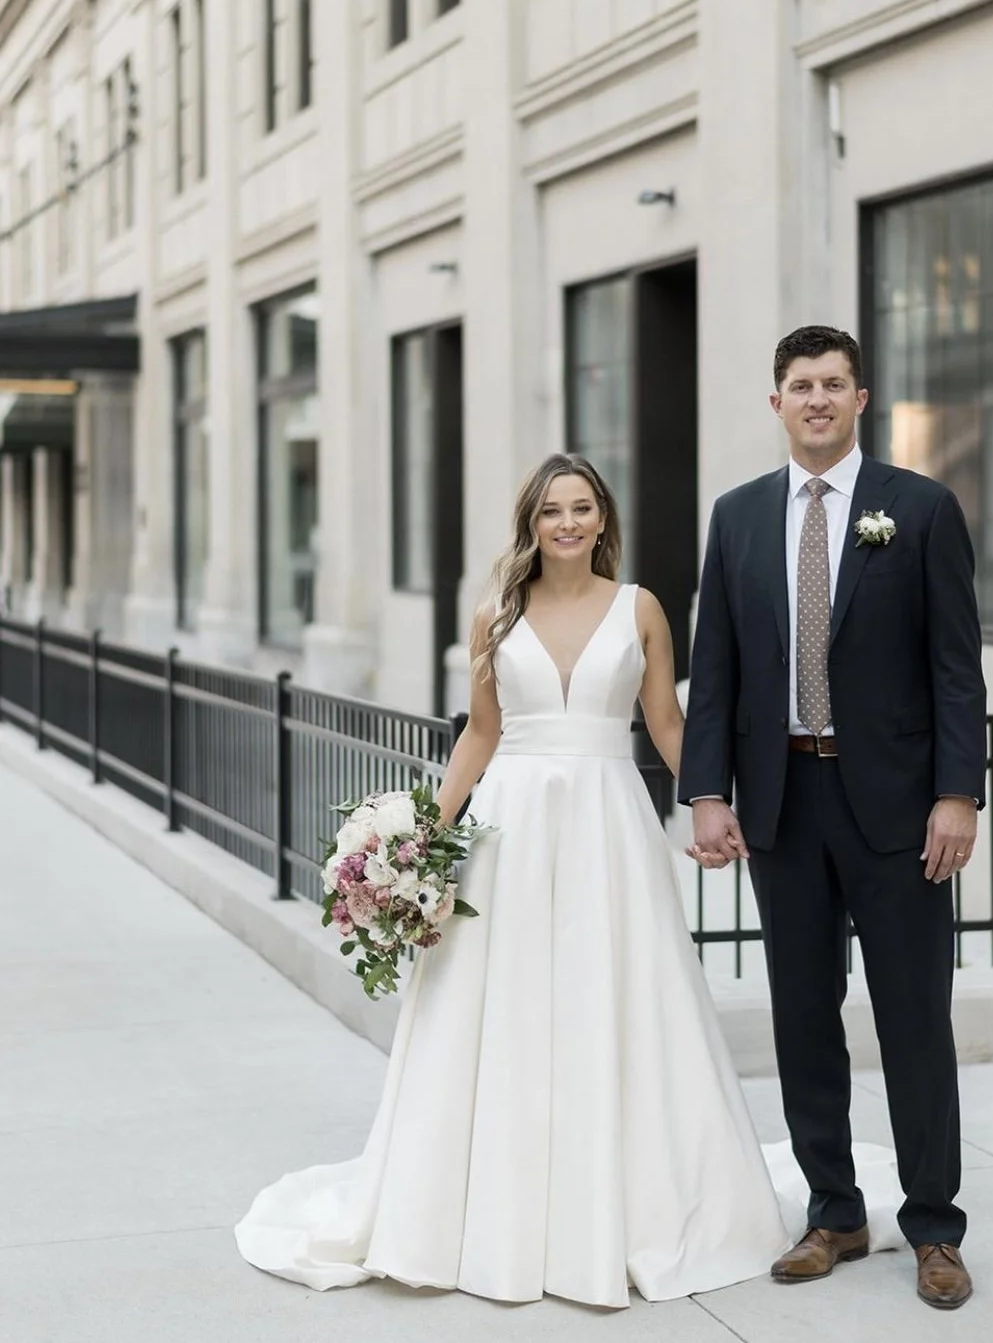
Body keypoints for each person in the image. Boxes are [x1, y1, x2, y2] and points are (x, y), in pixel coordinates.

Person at [236, 452, 791, 1308]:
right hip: (513, 829)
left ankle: (624, 1205)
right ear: (531, 523)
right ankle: (493, 1211)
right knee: (508, 1006)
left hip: (610, 823)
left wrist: (714, 803)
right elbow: (481, 733)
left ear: (602, 518)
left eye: (582, 507)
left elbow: (665, 721)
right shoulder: (494, 612)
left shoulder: (639, 608)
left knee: (618, 996)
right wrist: (425, 835)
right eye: (551, 510)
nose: (567, 523)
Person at [679, 324, 987, 1312]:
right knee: (803, 1017)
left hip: (899, 809)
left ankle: (933, 1226)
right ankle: (835, 1212)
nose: (816, 399)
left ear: (861, 398)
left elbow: (955, 668)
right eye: (800, 385)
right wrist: (708, 790)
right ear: (776, 402)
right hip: (783, 802)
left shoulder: (921, 509)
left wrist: (957, 792)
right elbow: (716, 668)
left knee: (913, 1019)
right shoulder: (736, 517)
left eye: (833, 383)